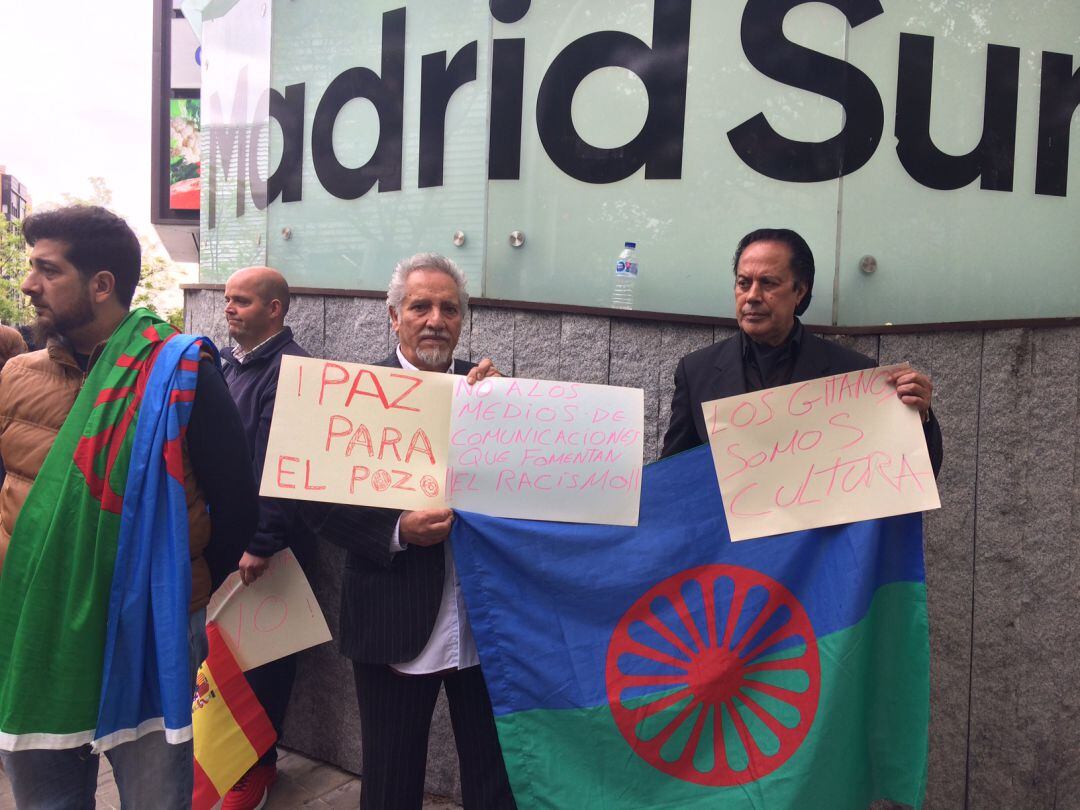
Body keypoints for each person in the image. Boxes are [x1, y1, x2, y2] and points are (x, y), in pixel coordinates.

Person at [0, 205, 257, 809]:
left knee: (156, 798)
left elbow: (236, 508)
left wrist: (180, 598)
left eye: (46, 270)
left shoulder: (180, 373)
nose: (28, 285)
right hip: (36, 630)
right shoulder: (15, 378)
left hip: (148, 633)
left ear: (102, 284)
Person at [312, 253, 516, 810]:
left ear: (463, 319)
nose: (435, 319)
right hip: (393, 616)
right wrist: (397, 529)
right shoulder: (355, 395)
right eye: (420, 306)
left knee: (495, 773)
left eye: (449, 308)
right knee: (391, 776)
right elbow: (316, 503)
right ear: (393, 315)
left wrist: (510, 415)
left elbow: (526, 491)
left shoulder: (491, 390)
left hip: (482, 622)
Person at [662, 227, 943, 474]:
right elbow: (672, 474)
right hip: (726, 532)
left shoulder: (853, 374)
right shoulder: (696, 371)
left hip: (817, 534)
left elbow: (908, 472)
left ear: (800, 291)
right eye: (743, 282)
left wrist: (919, 416)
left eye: (768, 283)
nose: (752, 296)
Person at [218, 265, 311, 810]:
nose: (230, 308)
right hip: (227, 540)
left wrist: (263, 540)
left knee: (265, 660)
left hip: (267, 549)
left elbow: (285, 464)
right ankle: (229, 759)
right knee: (227, 660)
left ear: (275, 309)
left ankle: (258, 768)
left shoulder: (291, 370)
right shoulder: (231, 365)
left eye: (243, 301)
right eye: (228, 299)